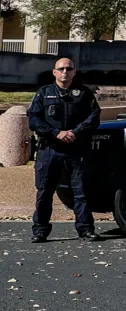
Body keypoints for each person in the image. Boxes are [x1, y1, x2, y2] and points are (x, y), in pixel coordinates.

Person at [27, 57, 102, 243]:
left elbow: (94, 117)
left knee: (81, 192)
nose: (65, 72)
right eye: (61, 69)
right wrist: (56, 133)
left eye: (69, 69)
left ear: (74, 72)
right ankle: (40, 231)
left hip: (76, 150)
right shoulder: (44, 94)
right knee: (44, 192)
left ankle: (85, 230)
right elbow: (34, 120)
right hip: (49, 149)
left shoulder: (84, 94)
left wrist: (75, 133)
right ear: (54, 72)